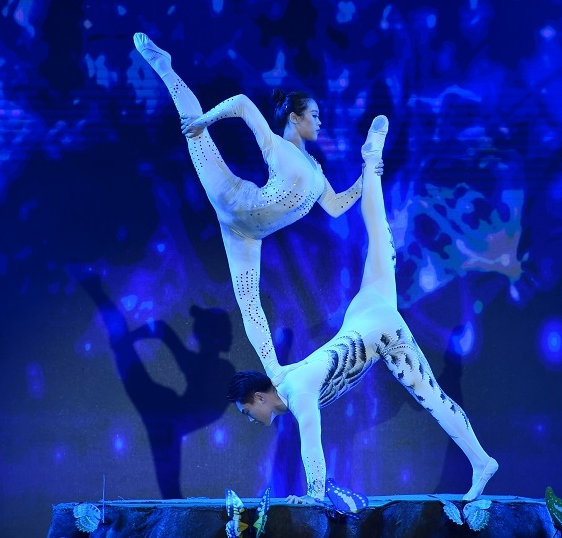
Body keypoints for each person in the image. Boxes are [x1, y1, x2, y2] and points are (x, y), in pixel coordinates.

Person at [226, 116, 499, 503]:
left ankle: (482, 461)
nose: (249, 419)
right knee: (378, 232)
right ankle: (371, 161)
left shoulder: (296, 391)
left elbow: (311, 443)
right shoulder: (285, 378)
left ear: (258, 398)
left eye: (245, 411)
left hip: (379, 332)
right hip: (365, 311)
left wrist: (314, 496)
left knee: (430, 396)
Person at [133, 33, 373, 383]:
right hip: (231, 197)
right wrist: (204, 121)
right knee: (194, 130)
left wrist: (364, 180)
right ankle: (163, 65)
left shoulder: (318, 173)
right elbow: (243, 103)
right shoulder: (278, 147)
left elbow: (336, 208)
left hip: (245, 235)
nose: (320, 122)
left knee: (249, 302)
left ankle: (274, 372)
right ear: (295, 118)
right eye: (314, 115)